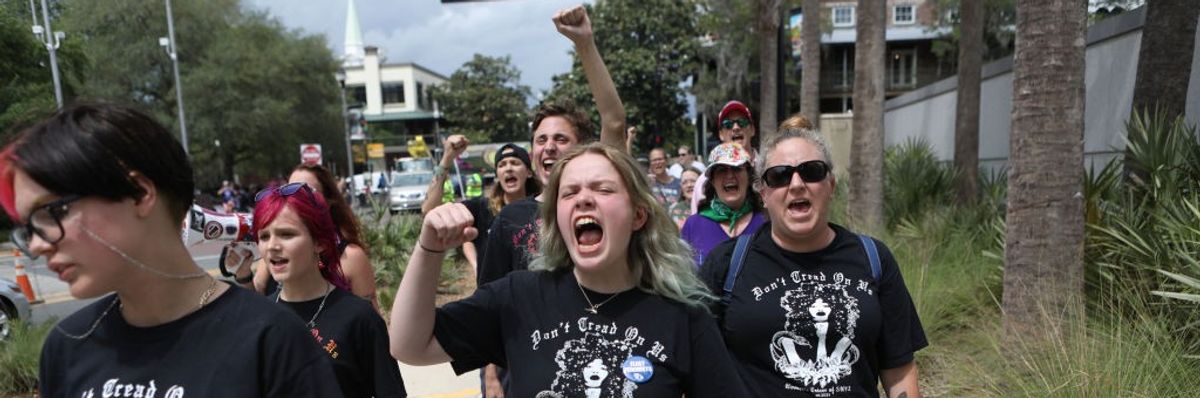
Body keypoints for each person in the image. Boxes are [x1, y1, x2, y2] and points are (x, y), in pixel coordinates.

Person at [0, 102, 341, 396]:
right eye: (29, 227)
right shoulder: (67, 345)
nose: (37, 244)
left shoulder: (271, 341)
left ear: (138, 193)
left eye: (54, 212)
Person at [390, 143, 749, 398]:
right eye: (569, 192)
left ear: (638, 215)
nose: (583, 199)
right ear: (556, 220)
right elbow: (409, 346)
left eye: (603, 189)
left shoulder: (682, 316)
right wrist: (429, 250)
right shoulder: (518, 297)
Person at [699, 119, 927, 397]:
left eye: (811, 171)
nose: (796, 184)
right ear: (763, 193)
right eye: (780, 175)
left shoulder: (874, 259)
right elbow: (696, 367)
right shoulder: (726, 264)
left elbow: (899, 372)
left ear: (830, 184)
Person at [474, 7, 627, 395]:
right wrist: (491, 376)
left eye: (560, 139)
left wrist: (585, 45)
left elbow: (614, 123)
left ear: (582, 150)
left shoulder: (597, 205)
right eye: (541, 140)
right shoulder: (510, 219)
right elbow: (487, 306)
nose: (548, 147)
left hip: (593, 360)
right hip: (523, 371)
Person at [254, 182, 407, 397]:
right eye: (264, 236)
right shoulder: (258, 319)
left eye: (286, 234)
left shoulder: (360, 318)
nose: (272, 246)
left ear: (320, 243)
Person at [237, 163, 382, 312]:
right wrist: (243, 275)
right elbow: (256, 304)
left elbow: (370, 321)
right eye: (289, 190)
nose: (295, 199)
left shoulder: (351, 256)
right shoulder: (273, 252)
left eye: (306, 191)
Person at [420, 137, 539, 277]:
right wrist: (447, 158)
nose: (508, 168)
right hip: (493, 296)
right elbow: (429, 210)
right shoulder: (482, 209)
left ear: (529, 172)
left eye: (515, 163)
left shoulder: (542, 209)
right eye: (502, 165)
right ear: (497, 175)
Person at [681, 142, 767, 266]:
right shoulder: (693, 225)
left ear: (749, 177)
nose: (730, 175)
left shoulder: (767, 222)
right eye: (721, 170)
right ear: (712, 180)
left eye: (736, 168)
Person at [691, 100, 759, 213]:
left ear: (752, 130)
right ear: (721, 135)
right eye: (728, 124)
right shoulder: (704, 181)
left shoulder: (769, 171)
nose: (736, 127)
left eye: (742, 122)